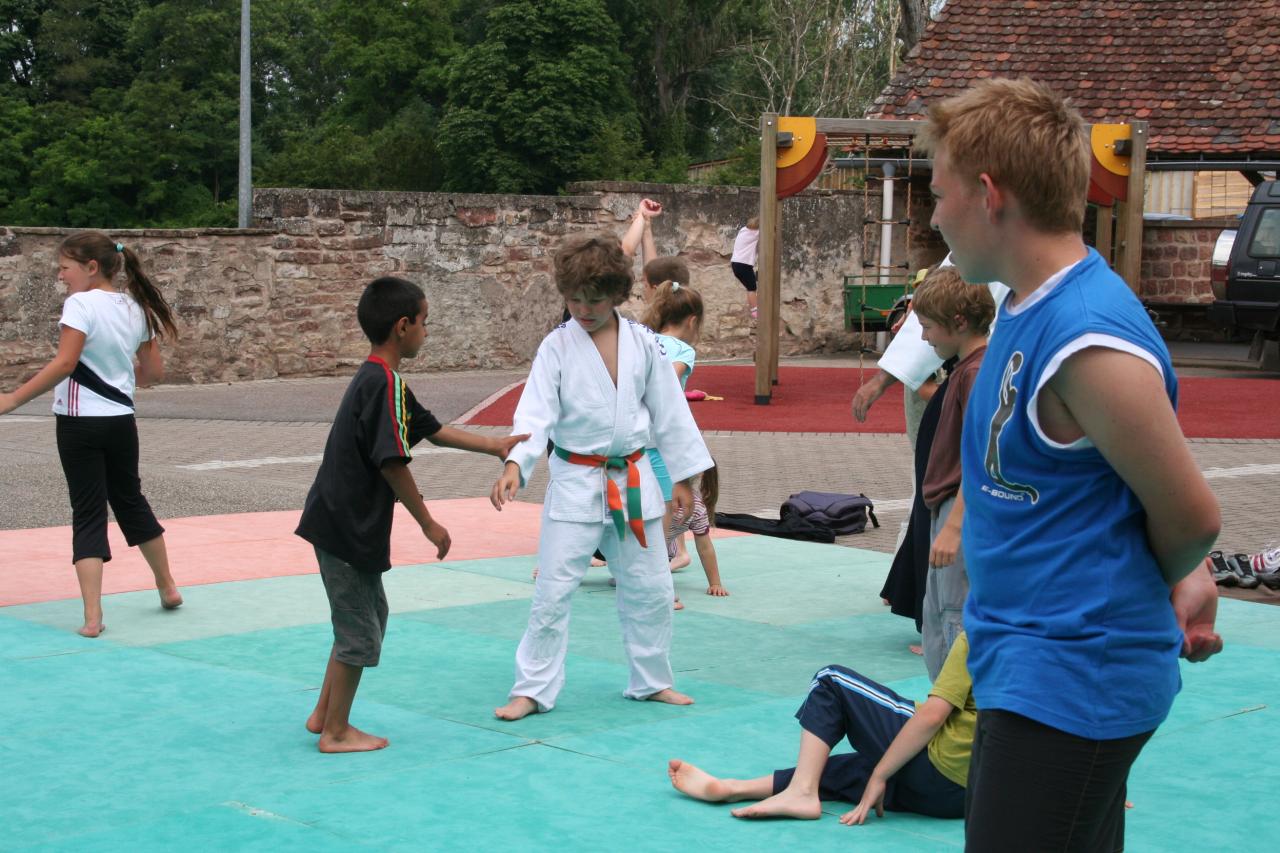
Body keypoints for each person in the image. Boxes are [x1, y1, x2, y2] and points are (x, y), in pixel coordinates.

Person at [921, 77, 1223, 850]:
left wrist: (1169, 570)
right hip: (1028, 662)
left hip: (1074, 676)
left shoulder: (1088, 341)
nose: (931, 212)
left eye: (938, 190)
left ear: (989, 194)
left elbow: (1192, 516)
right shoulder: (1025, 303)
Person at [296, 276, 526, 753]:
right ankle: (337, 732)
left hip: (339, 521)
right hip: (345, 525)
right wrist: (429, 523)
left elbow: (433, 430)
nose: (427, 331)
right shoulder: (381, 386)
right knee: (359, 629)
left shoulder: (384, 381)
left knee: (362, 615)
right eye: (425, 323)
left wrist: (494, 445)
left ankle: (323, 714)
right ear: (403, 326)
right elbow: (392, 462)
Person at [490, 234, 712, 721]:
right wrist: (515, 463)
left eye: (594, 299)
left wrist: (681, 478)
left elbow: (669, 411)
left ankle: (652, 680)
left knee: (652, 589)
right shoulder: (557, 346)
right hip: (577, 480)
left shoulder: (643, 343)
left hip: (634, 478)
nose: (583, 309)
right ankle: (532, 688)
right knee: (553, 589)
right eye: (574, 299)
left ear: (616, 294)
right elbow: (536, 411)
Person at [0, 232, 182, 637]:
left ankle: (93, 617)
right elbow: (153, 374)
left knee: (88, 511)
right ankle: (167, 586)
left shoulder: (80, 304)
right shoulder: (138, 307)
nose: (61, 276)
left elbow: (65, 363)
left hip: (80, 423)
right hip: (121, 421)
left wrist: (12, 399)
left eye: (65, 267)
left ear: (91, 267)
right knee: (131, 500)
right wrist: (117, 378)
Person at [668, 632, 975, 825]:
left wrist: (880, 775)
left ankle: (801, 791)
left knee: (832, 681)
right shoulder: (1024, 639)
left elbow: (934, 716)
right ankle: (734, 788)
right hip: (960, 799)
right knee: (854, 770)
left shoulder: (981, 631)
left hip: (938, 766)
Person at [911, 269, 994, 678]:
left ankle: (952, 718)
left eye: (928, 327)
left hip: (959, 510)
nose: (925, 338)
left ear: (958, 322)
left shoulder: (977, 373)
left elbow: (983, 457)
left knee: (953, 617)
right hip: (946, 507)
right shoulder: (965, 368)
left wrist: (955, 526)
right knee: (938, 611)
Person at [642, 280, 704, 575]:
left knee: (639, 503)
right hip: (663, 441)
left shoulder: (645, 340)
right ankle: (654, 568)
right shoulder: (683, 349)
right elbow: (669, 380)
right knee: (665, 508)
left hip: (639, 438)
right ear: (692, 321)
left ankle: (637, 566)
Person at [666, 464, 728, 598]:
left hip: (657, 555)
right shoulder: (656, 496)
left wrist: (715, 583)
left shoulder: (697, 508)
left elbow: (705, 547)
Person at [730, 218, 760, 317]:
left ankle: (755, 310)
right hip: (744, 265)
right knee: (751, 288)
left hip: (735, 264)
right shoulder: (757, 233)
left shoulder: (743, 230)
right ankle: (755, 312)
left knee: (750, 285)